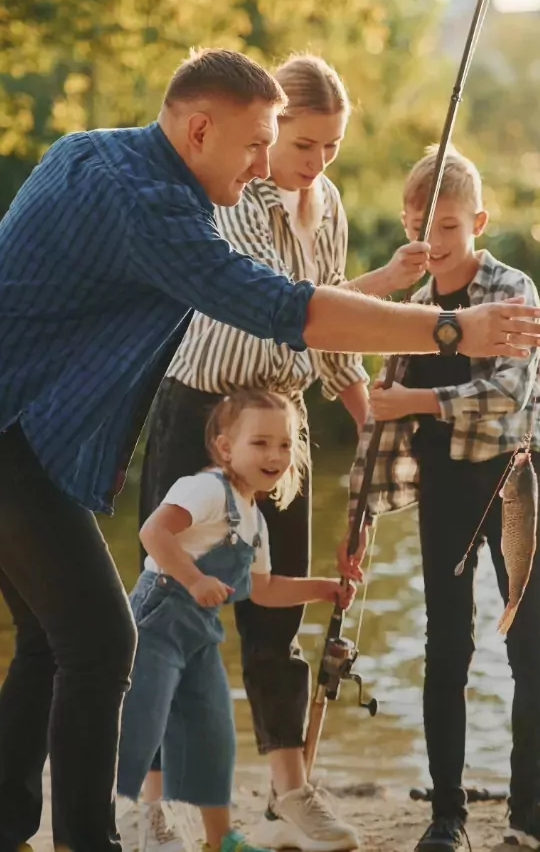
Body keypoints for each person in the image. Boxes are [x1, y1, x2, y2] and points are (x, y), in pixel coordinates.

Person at [0, 46, 540, 852]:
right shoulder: (150, 208)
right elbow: (289, 309)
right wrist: (450, 326)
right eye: (258, 145)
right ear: (199, 129)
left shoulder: (96, 150)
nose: (264, 167)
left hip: (12, 422)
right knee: (104, 641)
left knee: (52, 639)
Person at [130, 53, 426, 852]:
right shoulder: (234, 197)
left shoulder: (324, 201)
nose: (315, 164)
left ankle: (291, 792)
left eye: (331, 148)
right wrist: (378, 290)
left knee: (276, 615)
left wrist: (366, 416)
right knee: (170, 616)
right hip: (201, 412)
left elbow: (331, 336)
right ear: (270, 131)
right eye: (303, 145)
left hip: (281, 419)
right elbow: (273, 306)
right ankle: (151, 807)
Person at [339, 146, 540, 851]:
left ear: (477, 220)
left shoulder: (514, 290)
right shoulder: (410, 309)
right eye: (417, 225)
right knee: (446, 647)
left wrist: (411, 399)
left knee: (530, 646)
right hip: (442, 485)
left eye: (446, 226)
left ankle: (527, 807)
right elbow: (333, 339)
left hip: (513, 483)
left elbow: (506, 395)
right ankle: (446, 814)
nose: (432, 241)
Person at [116, 390, 355, 852]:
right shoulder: (205, 488)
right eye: (261, 443)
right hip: (157, 619)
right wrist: (193, 578)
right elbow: (153, 532)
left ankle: (219, 837)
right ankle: (148, 820)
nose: (275, 455)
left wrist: (323, 588)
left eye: (286, 445)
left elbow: (262, 589)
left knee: (213, 732)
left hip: (199, 633)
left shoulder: (253, 520)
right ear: (226, 448)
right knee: (155, 719)